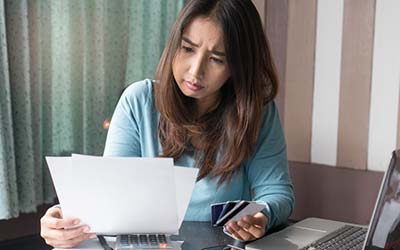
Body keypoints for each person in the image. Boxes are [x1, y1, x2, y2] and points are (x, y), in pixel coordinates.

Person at [40, 0, 294, 248]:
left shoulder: (256, 113)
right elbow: (112, 195)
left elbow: (276, 192)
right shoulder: (138, 101)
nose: (195, 71)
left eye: (217, 59)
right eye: (188, 48)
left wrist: (262, 216)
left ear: (238, 67)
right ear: (174, 45)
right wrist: (62, 215)